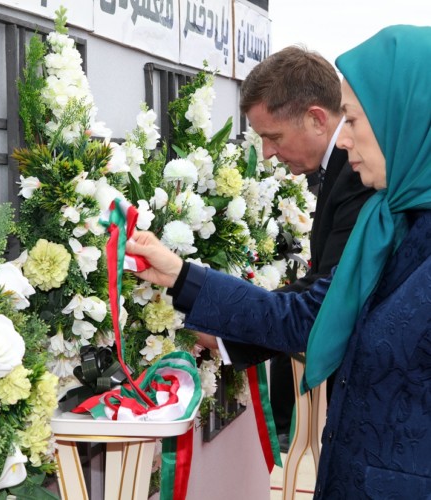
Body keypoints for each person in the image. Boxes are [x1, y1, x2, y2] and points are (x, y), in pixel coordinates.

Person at [127, 25, 431, 498]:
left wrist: (185, 278)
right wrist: (179, 276)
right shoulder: (391, 217)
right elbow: (326, 305)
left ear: (404, 119)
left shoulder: (383, 210)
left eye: (351, 120)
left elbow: (314, 318)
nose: (344, 139)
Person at [208, 45, 375, 452]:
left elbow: (329, 298)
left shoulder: (360, 175)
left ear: (316, 118)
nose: (267, 151)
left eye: (273, 136)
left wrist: (227, 324)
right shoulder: (340, 171)